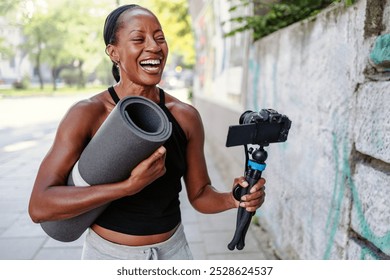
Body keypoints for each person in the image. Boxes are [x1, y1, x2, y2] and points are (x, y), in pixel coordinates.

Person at [28, 4, 266, 260]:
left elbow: (199, 195)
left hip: (174, 252)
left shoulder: (185, 116)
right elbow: (40, 206)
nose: (154, 46)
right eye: (138, 39)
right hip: (108, 257)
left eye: (160, 38)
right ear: (113, 52)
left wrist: (233, 199)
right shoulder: (88, 114)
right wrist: (127, 187)